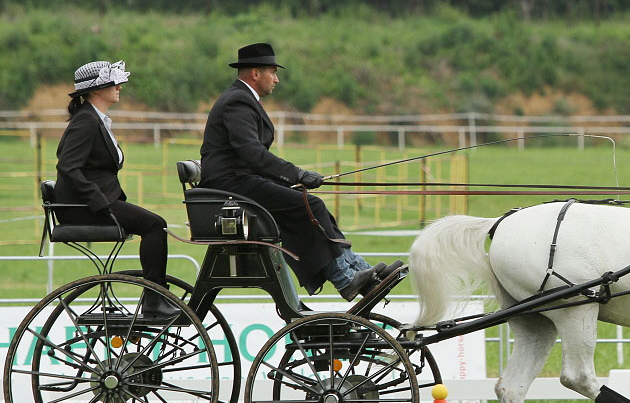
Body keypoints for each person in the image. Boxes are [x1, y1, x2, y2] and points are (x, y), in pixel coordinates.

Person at [199, 43, 395, 301]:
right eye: (273, 72)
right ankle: (346, 279)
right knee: (310, 204)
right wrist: (297, 174)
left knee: (312, 205)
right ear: (255, 74)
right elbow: (253, 154)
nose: (277, 79)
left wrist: (293, 180)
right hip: (232, 185)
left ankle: (358, 270)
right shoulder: (237, 100)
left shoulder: (242, 99)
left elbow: (251, 157)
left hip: (241, 181)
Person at [55, 60, 179, 317]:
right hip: (83, 207)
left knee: (155, 224)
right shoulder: (87, 121)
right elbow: (68, 166)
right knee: (155, 226)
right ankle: (155, 299)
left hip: (94, 202)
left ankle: (155, 296)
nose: (120, 86)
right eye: (114, 82)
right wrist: (98, 201)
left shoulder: (94, 119)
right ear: (96, 89)